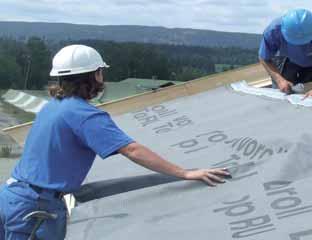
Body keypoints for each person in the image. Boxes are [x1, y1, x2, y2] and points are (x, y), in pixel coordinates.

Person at [0, 45, 230, 240]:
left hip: (11, 196)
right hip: (35, 209)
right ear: (95, 75)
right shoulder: (85, 115)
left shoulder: (52, 106)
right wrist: (185, 173)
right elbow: (131, 149)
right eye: (100, 72)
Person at [259, 8, 312, 95]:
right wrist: (279, 80)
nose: (300, 46)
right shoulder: (273, 31)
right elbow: (264, 58)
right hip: (287, 59)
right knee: (283, 92)